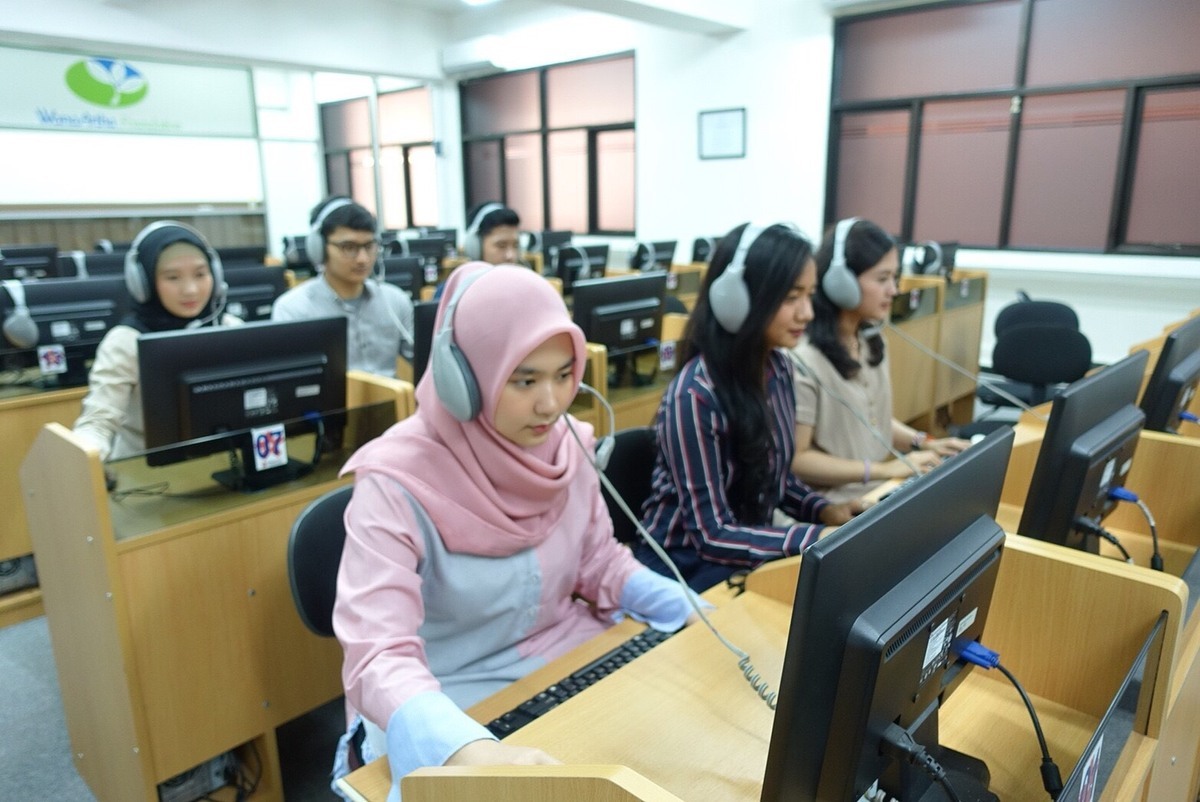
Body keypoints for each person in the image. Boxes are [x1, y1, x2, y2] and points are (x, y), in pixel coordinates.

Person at [331, 262, 702, 798]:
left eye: (561, 375)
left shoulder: (567, 444)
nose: (551, 404)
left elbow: (599, 561)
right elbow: (379, 654)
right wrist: (472, 751)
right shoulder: (395, 483)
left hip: (568, 660)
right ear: (465, 381)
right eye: (524, 380)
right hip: (446, 701)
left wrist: (686, 607)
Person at [636, 222, 861, 594]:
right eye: (791, 297)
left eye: (810, 295)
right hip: (683, 567)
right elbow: (711, 534)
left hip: (744, 551)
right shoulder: (694, 396)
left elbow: (774, 475)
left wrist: (823, 510)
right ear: (735, 299)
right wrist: (813, 538)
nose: (807, 313)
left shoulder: (779, 369)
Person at [790, 217, 969, 503]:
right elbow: (798, 460)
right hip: (837, 505)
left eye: (894, 278)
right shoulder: (805, 359)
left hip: (877, 490)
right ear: (841, 282)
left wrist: (924, 442)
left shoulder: (870, 341)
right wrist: (884, 469)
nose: (894, 290)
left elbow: (871, 420)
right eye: (882, 279)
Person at [73, 221, 242, 461]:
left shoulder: (230, 328)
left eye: (201, 274)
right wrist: (88, 456)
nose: (191, 289)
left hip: (225, 463)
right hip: (145, 475)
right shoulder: (125, 341)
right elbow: (98, 422)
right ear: (143, 282)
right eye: (173, 277)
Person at [271, 196, 414, 377]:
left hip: (393, 403)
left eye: (369, 246)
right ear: (320, 249)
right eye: (348, 247)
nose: (363, 259)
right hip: (331, 405)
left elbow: (426, 363)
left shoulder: (395, 301)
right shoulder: (293, 310)